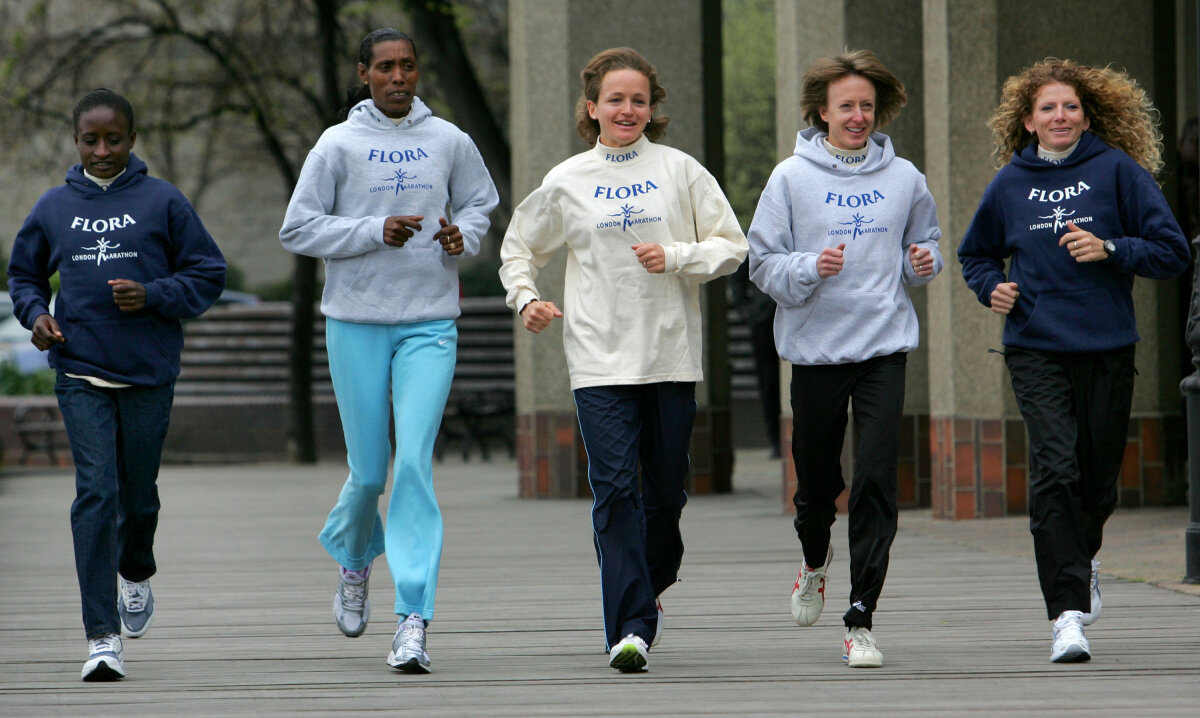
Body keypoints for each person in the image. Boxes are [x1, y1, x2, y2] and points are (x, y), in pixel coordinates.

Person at [499, 47, 747, 673]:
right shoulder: (568, 180)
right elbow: (520, 246)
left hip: (668, 356)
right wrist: (526, 298)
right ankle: (628, 629)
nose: (627, 109)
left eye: (638, 99)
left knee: (664, 497)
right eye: (615, 99)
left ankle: (651, 587)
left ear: (650, 107)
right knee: (613, 492)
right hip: (599, 360)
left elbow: (732, 245)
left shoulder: (679, 171)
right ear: (592, 108)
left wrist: (678, 256)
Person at [278, 28, 498, 674]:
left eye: (407, 65)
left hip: (430, 322)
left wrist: (466, 236)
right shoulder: (337, 144)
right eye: (385, 68)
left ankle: (412, 619)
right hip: (356, 321)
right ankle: (354, 555)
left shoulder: (448, 140)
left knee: (413, 469)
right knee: (369, 471)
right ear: (364, 74)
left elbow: (483, 203)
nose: (399, 77)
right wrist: (374, 230)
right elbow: (298, 226)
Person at [958, 58, 1189, 663]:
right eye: (1047, 109)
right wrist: (992, 289)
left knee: (1097, 481)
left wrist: (1111, 247)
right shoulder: (1010, 183)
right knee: (1055, 470)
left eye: (1070, 107)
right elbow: (976, 256)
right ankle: (1065, 614)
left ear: (1086, 114)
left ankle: (1079, 560)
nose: (1060, 117)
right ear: (1028, 121)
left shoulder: (1116, 171)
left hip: (1108, 345)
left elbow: (1170, 253)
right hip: (1036, 347)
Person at [7, 88, 227, 681]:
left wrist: (153, 295)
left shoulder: (163, 201)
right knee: (96, 495)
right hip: (79, 369)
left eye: (113, 139)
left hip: (147, 371)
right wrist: (36, 316)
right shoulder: (53, 206)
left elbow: (208, 272)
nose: (101, 150)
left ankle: (136, 568)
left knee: (138, 497)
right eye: (90, 140)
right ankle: (101, 636)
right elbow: (24, 273)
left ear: (132, 139)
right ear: (76, 142)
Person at [747, 50, 942, 668]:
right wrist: (809, 266)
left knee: (877, 479)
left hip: (883, 344)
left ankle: (861, 616)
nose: (857, 116)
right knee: (817, 486)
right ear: (822, 113)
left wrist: (923, 263)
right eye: (845, 107)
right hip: (817, 350)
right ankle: (813, 559)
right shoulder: (790, 179)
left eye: (866, 106)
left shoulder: (905, 178)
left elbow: (925, 244)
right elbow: (762, 265)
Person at [729, 262, 781, 458]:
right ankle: (774, 438)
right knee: (767, 380)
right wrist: (748, 312)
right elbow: (737, 279)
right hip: (762, 319)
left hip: (789, 314)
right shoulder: (753, 235)